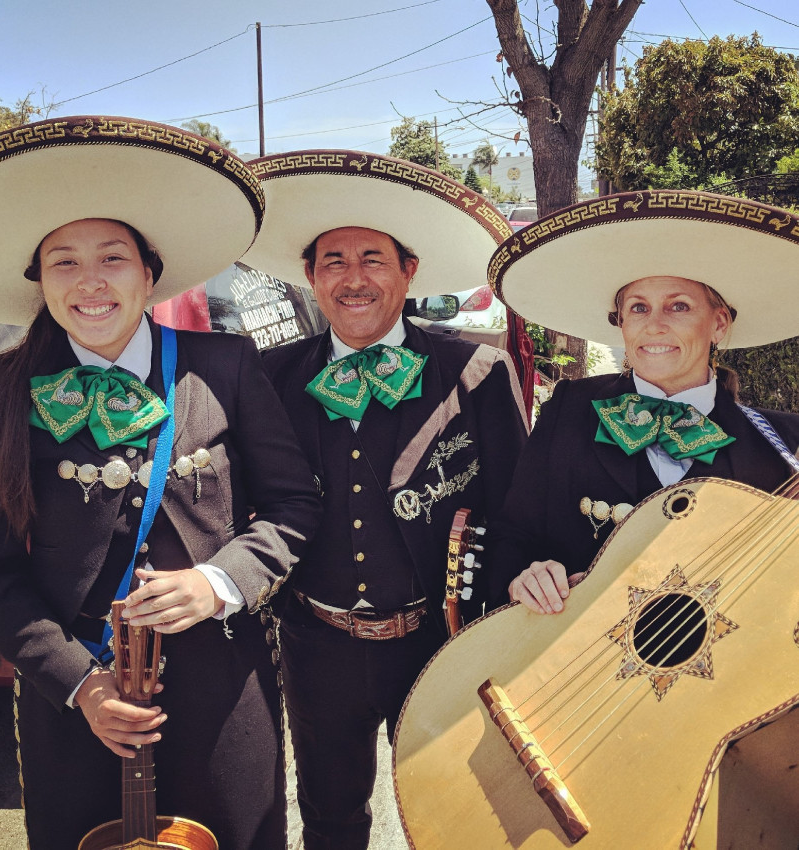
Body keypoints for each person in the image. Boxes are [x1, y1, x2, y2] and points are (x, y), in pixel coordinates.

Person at [0, 117, 321, 850]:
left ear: (149, 274)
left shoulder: (227, 366)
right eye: (63, 262)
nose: (90, 281)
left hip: (225, 690)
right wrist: (80, 686)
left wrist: (220, 581)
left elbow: (293, 506)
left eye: (112, 257)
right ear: (39, 283)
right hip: (75, 701)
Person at [239, 150, 531, 849]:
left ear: (409, 271)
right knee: (330, 819)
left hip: (440, 642)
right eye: (333, 261)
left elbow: (519, 510)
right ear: (309, 278)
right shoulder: (271, 376)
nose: (353, 277)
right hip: (316, 644)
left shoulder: (476, 372)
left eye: (373, 257)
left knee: (457, 815)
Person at [485, 189, 799, 613]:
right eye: (638, 308)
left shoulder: (783, 445)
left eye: (679, 306)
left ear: (719, 324)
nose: (654, 326)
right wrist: (525, 575)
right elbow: (511, 535)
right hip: (579, 669)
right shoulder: (570, 409)